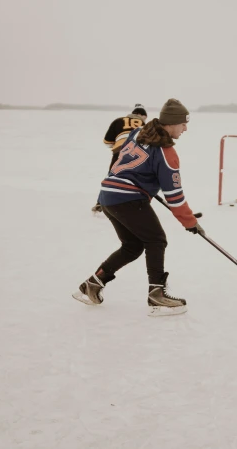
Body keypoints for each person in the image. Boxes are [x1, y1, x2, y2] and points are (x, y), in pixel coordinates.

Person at [74, 98, 204, 316]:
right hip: (128, 198)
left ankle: (92, 285)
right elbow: (175, 196)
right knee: (156, 240)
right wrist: (190, 222)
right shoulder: (166, 153)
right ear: (171, 123)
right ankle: (157, 295)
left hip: (108, 196)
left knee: (132, 246)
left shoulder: (138, 134)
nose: (185, 128)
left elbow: (120, 162)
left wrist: (142, 185)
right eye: (183, 124)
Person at [91, 103, 148, 213]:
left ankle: (100, 204)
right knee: (136, 178)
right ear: (141, 115)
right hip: (139, 154)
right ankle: (136, 204)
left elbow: (107, 142)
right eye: (145, 117)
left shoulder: (118, 121)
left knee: (111, 177)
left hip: (120, 151)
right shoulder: (145, 125)